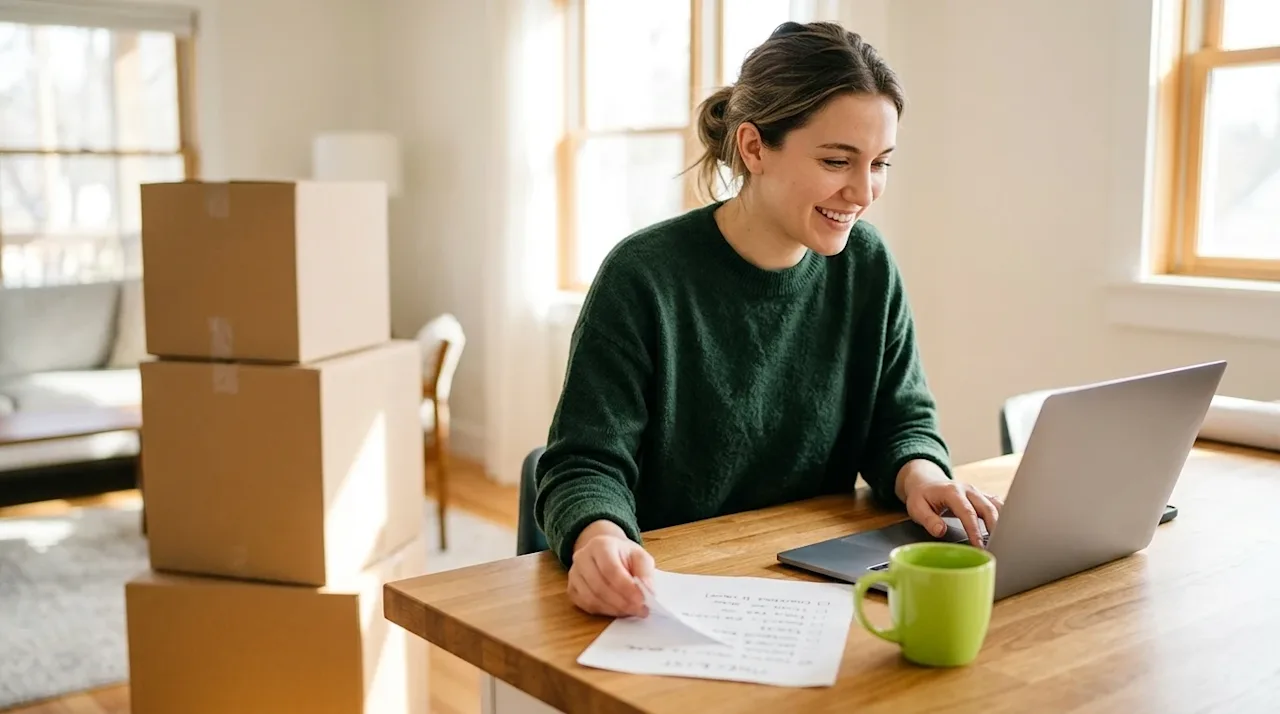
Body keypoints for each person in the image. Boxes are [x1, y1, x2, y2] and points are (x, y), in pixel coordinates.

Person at [534, 21, 1002, 619]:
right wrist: (598, 538)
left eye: (880, 163)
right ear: (754, 148)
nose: (863, 191)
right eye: (838, 160)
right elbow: (585, 461)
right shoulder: (643, 276)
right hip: (668, 593)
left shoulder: (868, 265)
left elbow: (900, 420)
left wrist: (922, 476)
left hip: (816, 588)